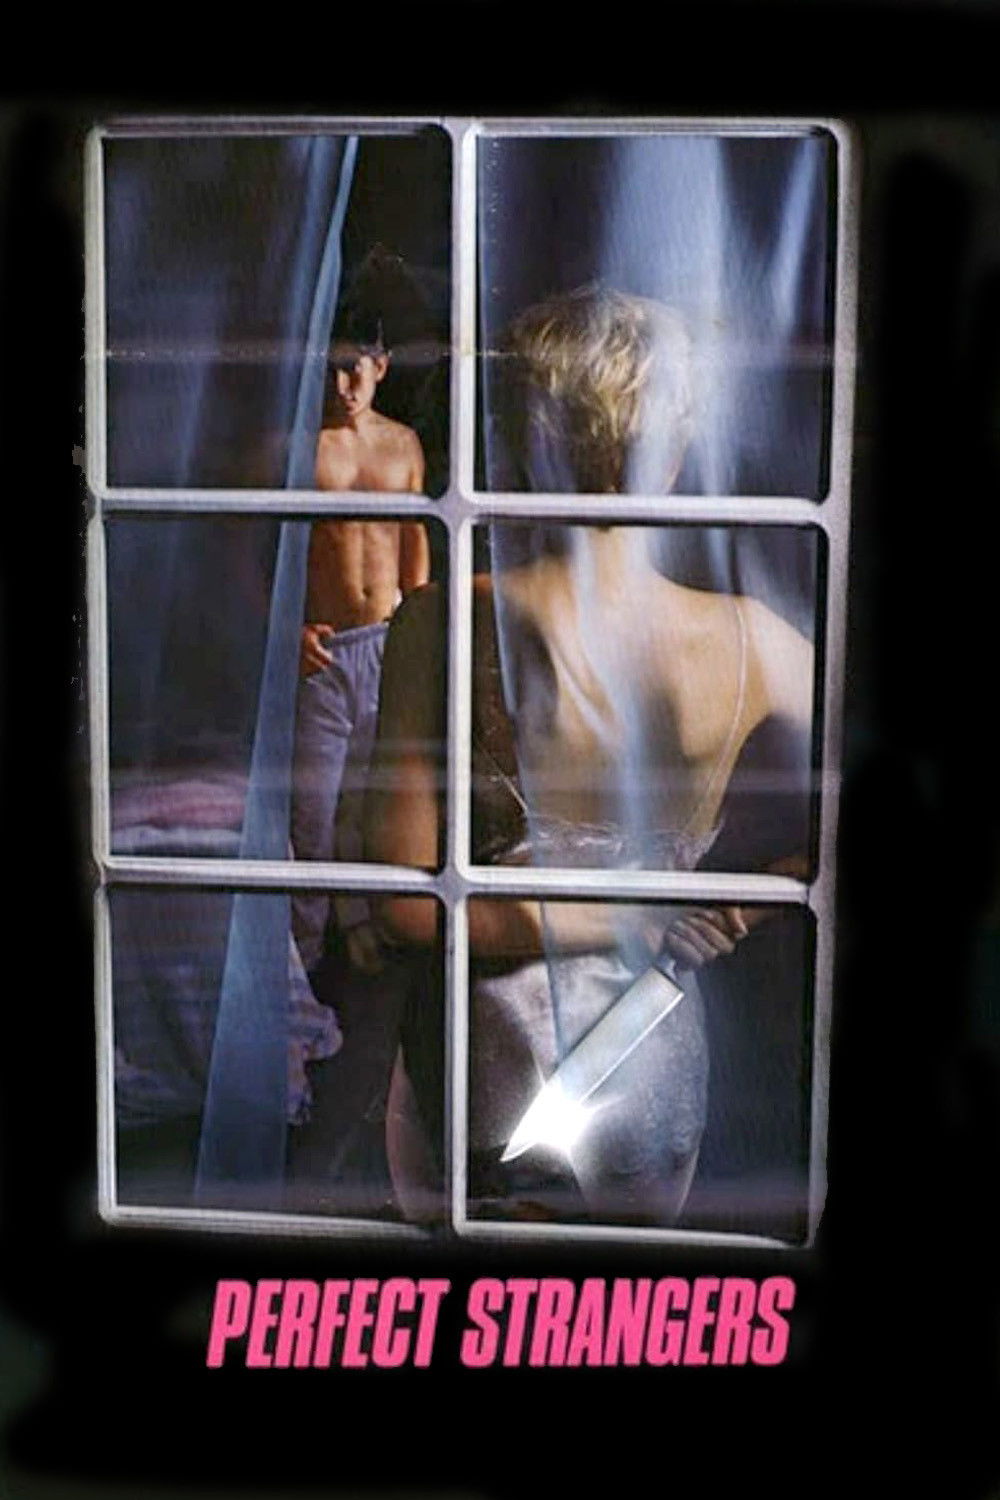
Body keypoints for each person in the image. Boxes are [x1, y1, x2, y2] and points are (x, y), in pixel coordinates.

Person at [366, 286, 813, 1227]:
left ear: (522, 444)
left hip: (475, 1059)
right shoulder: (759, 643)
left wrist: (683, 909)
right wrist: (739, 899)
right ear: (674, 452)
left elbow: (405, 904)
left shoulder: (443, 622)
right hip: (650, 1071)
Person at [290, 317, 429, 979]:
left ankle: (372, 938)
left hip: (389, 643)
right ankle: (306, 960)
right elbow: (244, 548)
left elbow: (417, 541)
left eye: (355, 368)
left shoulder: (404, 444)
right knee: (312, 814)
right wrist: (285, 630)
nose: (342, 385)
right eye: (330, 368)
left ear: (382, 366)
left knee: (380, 804)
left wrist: (422, 630)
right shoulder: (298, 448)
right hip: (323, 652)